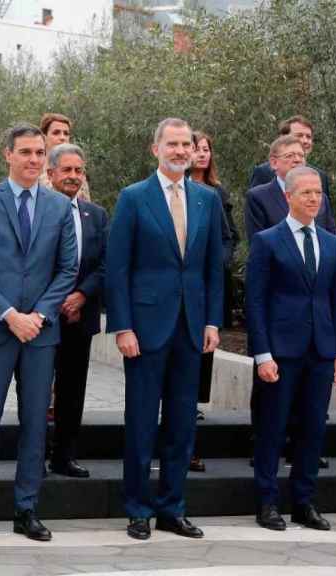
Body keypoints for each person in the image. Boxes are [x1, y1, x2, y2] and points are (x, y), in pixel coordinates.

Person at [106, 118, 225, 541]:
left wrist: (213, 320)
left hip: (192, 328)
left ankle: (172, 507)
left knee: (181, 424)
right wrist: (121, 326)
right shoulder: (133, 198)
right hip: (145, 328)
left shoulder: (207, 200)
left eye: (186, 145)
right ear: (155, 148)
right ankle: (138, 508)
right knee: (141, 422)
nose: (180, 151)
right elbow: (117, 268)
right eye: (172, 144)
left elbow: (214, 267)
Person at [0, 124, 78, 543]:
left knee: (34, 423)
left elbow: (67, 270)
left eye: (39, 152)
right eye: (25, 151)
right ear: (7, 154)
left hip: (40, 335)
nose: (33, 159)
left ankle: (27, 509)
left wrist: (39, 316)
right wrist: (11, 315)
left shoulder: (60, 207)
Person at [246, 165, 336, 532]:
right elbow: (254, 301)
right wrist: (263, 354)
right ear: (288, 196)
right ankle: (267, 502)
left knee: (313, 430)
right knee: (272, 428)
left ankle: (305, 502)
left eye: (318, 193)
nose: (314, 199)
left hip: (320, 351)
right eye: (306, 193)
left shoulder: (331, 243)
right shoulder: (268, 240)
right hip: (280, 352)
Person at [44, 143, 108, 478]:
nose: (72, 176)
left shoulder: (95, 214)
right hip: (42, 316)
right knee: (38, 390)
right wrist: (57, 300)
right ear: (51, 173)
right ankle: (35, 455)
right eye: (66, 170)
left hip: (80, 316)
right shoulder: (38, 210)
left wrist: (81, 296)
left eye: (78, 170)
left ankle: (64, 456)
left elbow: (105, 263)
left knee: (72, 390)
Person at [187, 130, 238, 473]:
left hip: (205, 289)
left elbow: (228, 236)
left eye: (207, 149)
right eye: (196, 148)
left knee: (198, 362)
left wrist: (217, 260)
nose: (201, 154)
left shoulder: (215, 195)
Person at [245, 135, 336, 240]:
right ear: (274, 163)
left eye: (301, 156)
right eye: (289, 156)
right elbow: (258, 243)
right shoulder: (258, 197)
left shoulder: (321, 198)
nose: (297, 160)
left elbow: (332, 238)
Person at [247, 115, 331, 195]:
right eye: (299, 135)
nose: (305, 141)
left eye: (308, 137)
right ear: (283, 138)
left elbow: (325, 209)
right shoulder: (264, 172)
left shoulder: (320, 176)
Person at [39, 112, 92, 201]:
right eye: (56, 133)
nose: (62, 137)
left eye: (66, 133)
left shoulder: (77, 171)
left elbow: (85, 204)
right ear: (44, 138)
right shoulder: (34, 170)